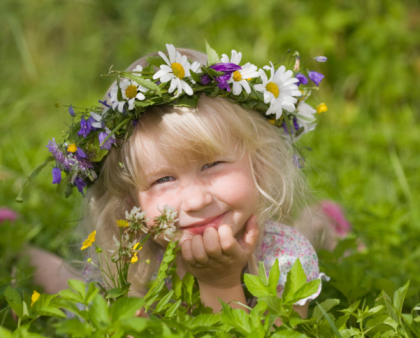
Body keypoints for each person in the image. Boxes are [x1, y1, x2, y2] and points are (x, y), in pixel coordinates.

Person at [36, 43, 333, 316]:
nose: (196, 200)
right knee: (71, 292)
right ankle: (21, 255)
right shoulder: (133, 264)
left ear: (260, 165)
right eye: (163, 179)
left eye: (213, 164)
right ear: (130, 201)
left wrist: (220, 284)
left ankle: (327, 226)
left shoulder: (282, 259)